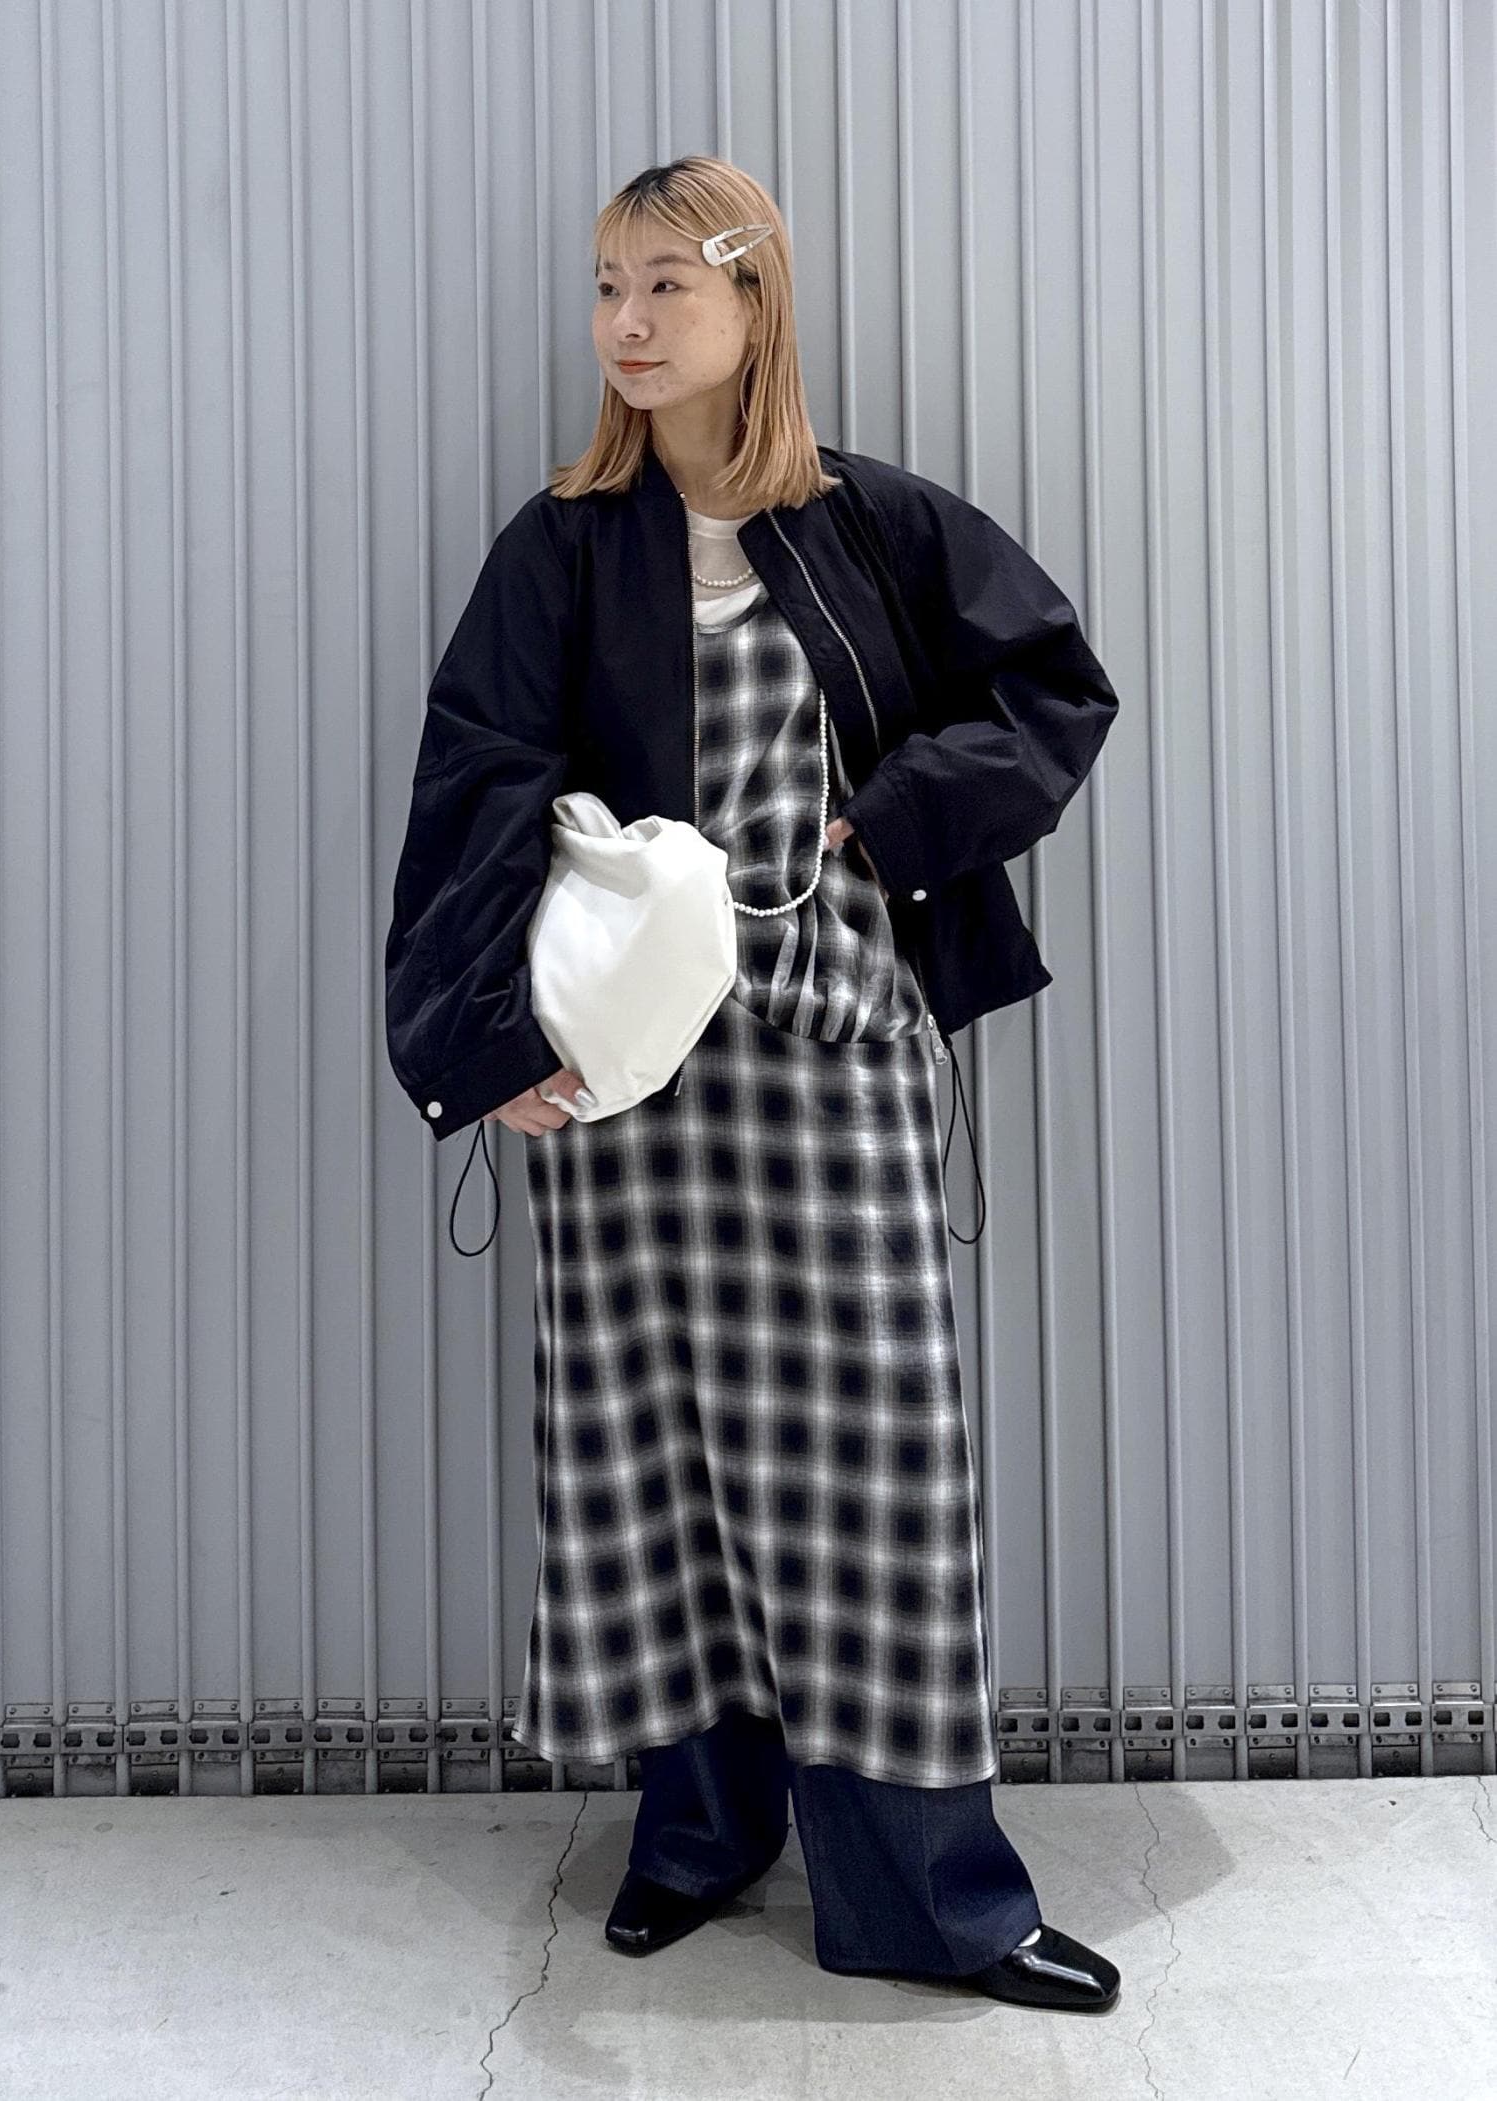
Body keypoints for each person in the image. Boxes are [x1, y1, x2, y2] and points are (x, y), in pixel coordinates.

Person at [384, 155, 1121, 2014]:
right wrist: (480, 1043)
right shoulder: (562, 546)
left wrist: (895, 817)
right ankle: (696, 1836)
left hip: (829, 1061)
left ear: (752, 298)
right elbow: (474, 776)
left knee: (875, 1470)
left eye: (665, 288)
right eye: (605, 289)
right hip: (628, 1095)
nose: (626, 327)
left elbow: (1052, 691)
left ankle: (928, 1894)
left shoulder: (868, 525)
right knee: (655, 1459)